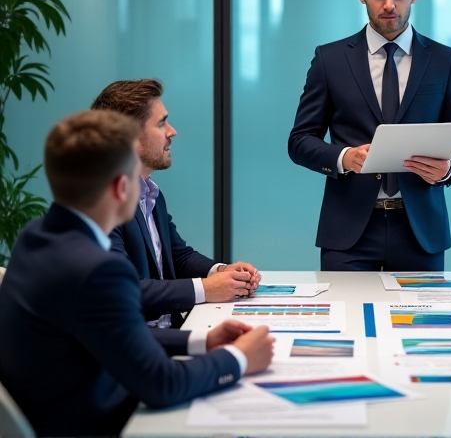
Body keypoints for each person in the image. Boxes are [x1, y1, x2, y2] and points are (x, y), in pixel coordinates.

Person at [0, 110, 275, 436]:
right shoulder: (98, 270)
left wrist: (202, 340)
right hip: (103, 423)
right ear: (121, 188)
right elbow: (162, 384)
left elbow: (113, 331)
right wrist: (238, 358)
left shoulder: (36, 237)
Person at [288, 0, 451, 271]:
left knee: (420, 324)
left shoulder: (444, 60)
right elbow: (300, 140)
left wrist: (449, 168)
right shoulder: (329, 60)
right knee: (348, 322)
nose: (389, 5)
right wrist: (344, 157)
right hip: (348, 231)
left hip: (421, 231)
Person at [92, 79, 261, 325]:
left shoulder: (150, 193)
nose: (172, 131)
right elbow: (123, 289)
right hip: (139, 346)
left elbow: (177, 256)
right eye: (161, 123)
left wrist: (222, 272)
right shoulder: (101, 202)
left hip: (169, 333)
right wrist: (206, 289)